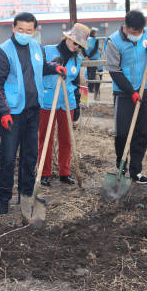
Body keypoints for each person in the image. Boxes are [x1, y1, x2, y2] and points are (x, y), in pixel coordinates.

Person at [0, 12, 66, 215]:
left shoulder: (35, 47)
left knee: (30, 155)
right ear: (13, 28)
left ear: (34, 30)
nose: (24, 33)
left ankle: (26, 194)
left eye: (29, 30)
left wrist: (54, 68)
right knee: (7, 157)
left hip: (33, 110)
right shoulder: (2, 52)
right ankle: (3, 199)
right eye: (20, 29)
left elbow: (39, 70)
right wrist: (3, 111)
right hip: (12, 114)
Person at [105, 10, 147, 184]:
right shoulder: (113, 42)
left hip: (145, 89)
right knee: (122, 133)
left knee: (141, 132)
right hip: (124, 93)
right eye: (133, 33)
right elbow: (115, 71)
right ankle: (121, 166)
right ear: (125, 27)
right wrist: (130, 92)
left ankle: (136, 171)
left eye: (139, 32)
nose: (136, 36)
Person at [38, 23, 89, 187]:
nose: (76, 47)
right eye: (75, 43)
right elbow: (39, 71)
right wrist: (53, 67)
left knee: (66, 139)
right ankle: (44, 173)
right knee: (46, 138)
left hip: (68, 103)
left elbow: (75, 83)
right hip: (48, 101)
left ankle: (64, 173)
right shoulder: (47, 51)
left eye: (79, 46)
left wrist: (78, 106)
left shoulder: (77, 59)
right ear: (68, 38)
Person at [83, 28, 103, 99]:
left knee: (89, 73)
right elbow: (95, 49)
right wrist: (89, 56)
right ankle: (91, 89)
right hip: (94, 59)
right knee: (93, 74)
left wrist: (86, 56)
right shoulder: (96, 40)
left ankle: (90, 87)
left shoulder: (86, 40)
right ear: (93, 34)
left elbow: (83, 48)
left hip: (88, 59)